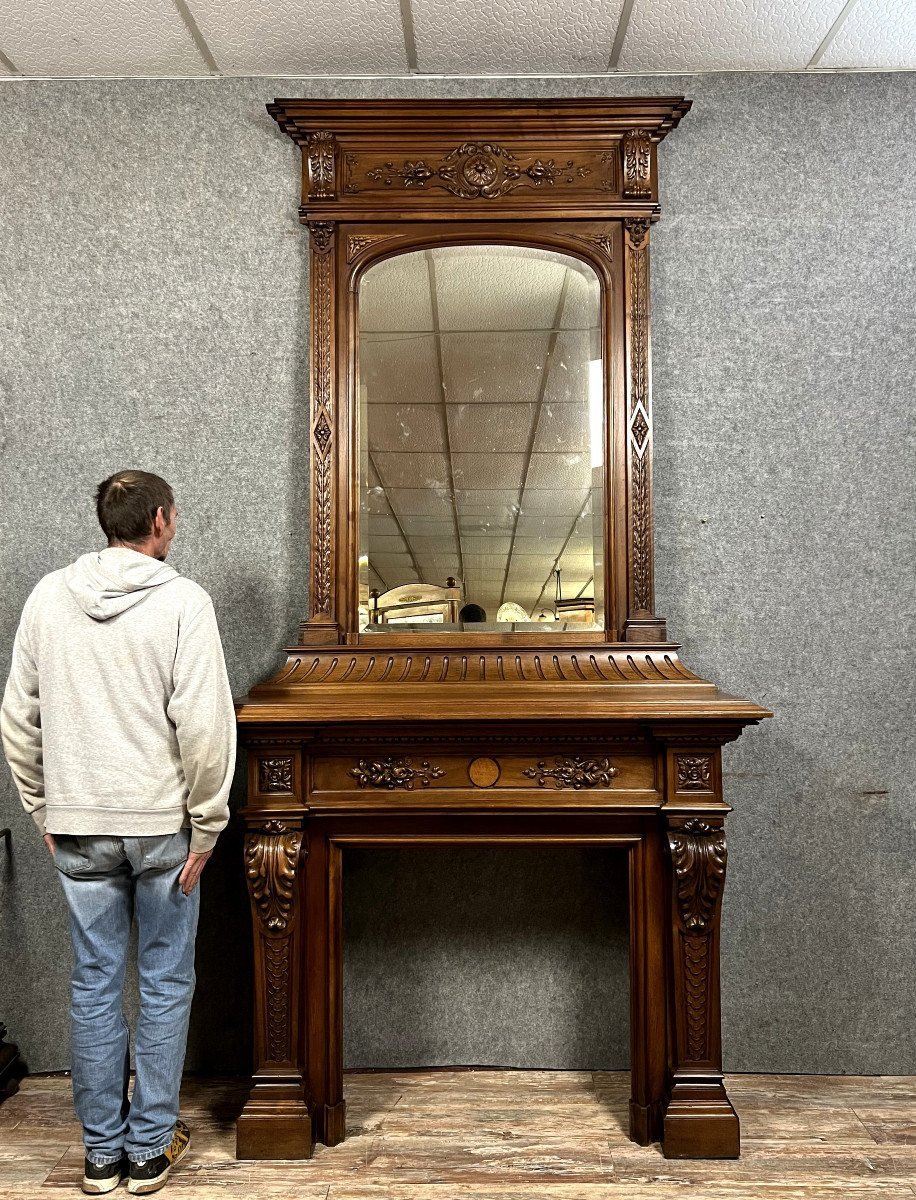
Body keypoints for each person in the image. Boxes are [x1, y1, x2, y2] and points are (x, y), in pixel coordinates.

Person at [1, 470, 236, 1196]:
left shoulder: (47, 597)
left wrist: (43, 809)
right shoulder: (183, 603)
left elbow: (17, 720)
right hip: (163, 827)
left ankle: (101, 1157)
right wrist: (209, 826)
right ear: (160, 520)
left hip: (79, 826)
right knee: (164, 986)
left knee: (94, 984)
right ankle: (147, 1150)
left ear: (106, 522)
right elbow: (203, 728)